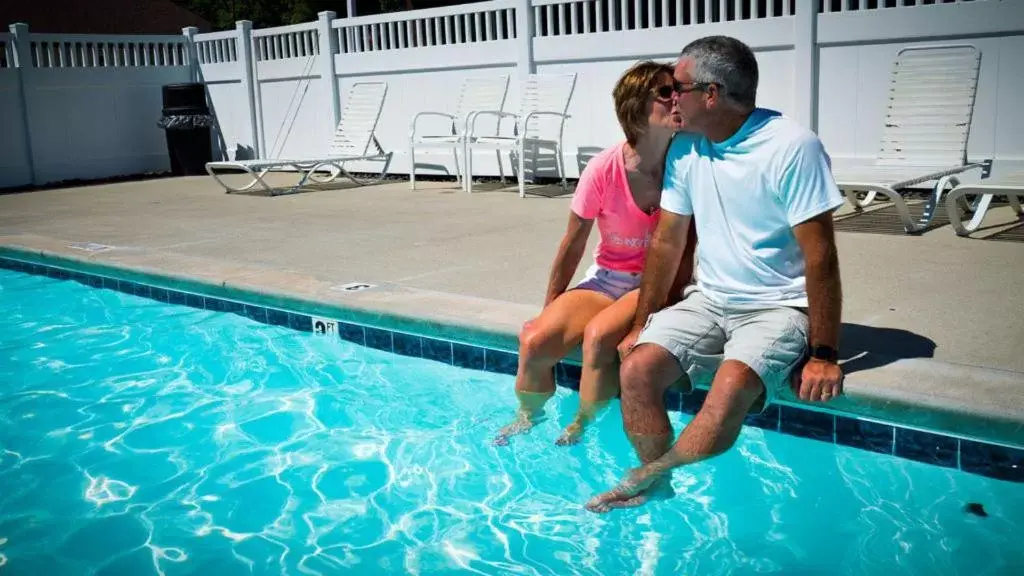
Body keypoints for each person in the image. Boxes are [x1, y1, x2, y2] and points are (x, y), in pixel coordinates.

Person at [585, 36, 845, 512]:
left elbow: (821, 255)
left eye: (676, 87)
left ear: (711, 93)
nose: (669, 96)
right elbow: (667, 241)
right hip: (708, 300)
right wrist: (643, 320)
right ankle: (657, 483)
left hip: (777, 306)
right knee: (638, 368)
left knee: (728, 390)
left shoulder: (791, 147)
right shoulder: (687, 148)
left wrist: (825, 353)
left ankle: (647, 476)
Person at [493, 60, 695, 447]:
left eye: (678, 91)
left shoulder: (686, 160)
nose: (677, 100)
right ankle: (528, 415)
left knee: (599, 337)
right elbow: (573, 242)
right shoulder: (604, 168)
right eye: (665, 93)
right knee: (535, 341)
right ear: (636, 107)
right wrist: (551, 307)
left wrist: (668, 300)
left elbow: (688, 245)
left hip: (655, 282)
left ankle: (583, 423)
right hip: (606, 279)